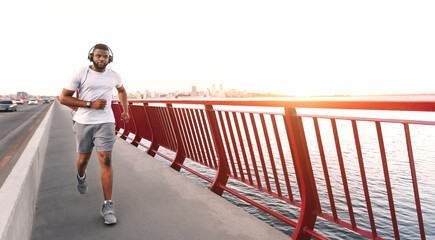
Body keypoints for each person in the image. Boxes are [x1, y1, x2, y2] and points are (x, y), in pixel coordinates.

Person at [59, 43, 129, 225]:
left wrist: (125, 109)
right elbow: (63, 98)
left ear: (109, 59)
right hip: (83, 122)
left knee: (106, 159)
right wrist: (90, 104)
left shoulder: (114, 76)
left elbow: (121, 91)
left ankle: (108, 206)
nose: (102, 59)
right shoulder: (81, 73)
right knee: (83, 160)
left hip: (106, 122)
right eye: (98, 56)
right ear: (92, 56)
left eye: (105, 57)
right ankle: (81, 176)